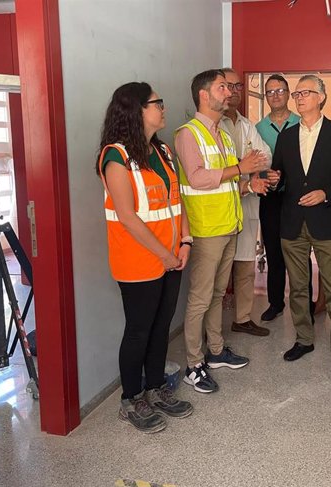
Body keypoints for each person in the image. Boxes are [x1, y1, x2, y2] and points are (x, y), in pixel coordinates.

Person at [96, 82, 193, 433]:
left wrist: (184, 243)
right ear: (136, 110)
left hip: (171, 258)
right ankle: (131, 399)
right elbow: (127, 216)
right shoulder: (115, 156)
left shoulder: (163, 151)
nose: (163, 109)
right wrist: (165, 255)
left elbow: (175, 202)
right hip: (138, 263)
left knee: (161, 326)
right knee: (139, 330)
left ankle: (155, 388)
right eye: (157, 103)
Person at [174, 69, 273, 394]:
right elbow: (198, 177)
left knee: (218, 294)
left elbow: (227, 180)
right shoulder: (188, 134)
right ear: (204, 94)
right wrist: (241, 169)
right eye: (222, 87)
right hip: (205, 230)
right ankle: (194, 364)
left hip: (229, 224)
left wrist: (249, 184)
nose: (228, 92)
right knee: (200, 299)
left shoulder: (223, 134)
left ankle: (215, 352)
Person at [272, 74, 331, 375]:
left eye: (306, 92)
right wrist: (273, 180)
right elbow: (280, 177)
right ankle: (304, 339)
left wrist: (326, 193)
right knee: (297, 288)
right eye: (297, 93)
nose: (299, 98)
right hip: (292, 223)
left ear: (322, 97)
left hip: (327, 222)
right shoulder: (285, 136)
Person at [255, 74, 317, 324]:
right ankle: (275, 303)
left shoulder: (302, 123)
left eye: (280, 90)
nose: (275, 95)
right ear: (266, 97)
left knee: (300, 251)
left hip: (296, 197)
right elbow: (252, 161)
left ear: (288, 92)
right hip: (270, 197)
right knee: (273, 250)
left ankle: (306, 306)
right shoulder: (257, 129)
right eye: (270, 92)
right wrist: (263, 175)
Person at [219, 68, 272, 337]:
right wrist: (243, 165)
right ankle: (212, 329)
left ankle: (242, 318)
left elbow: (266, 155)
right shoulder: (212, 125)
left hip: (247, 202)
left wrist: (250, 166)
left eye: (238, 86)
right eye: (228, 86)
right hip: (220, 207)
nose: (234, 91)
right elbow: (214, 171)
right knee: (217, 274)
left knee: (245, 267)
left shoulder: (247, 124)